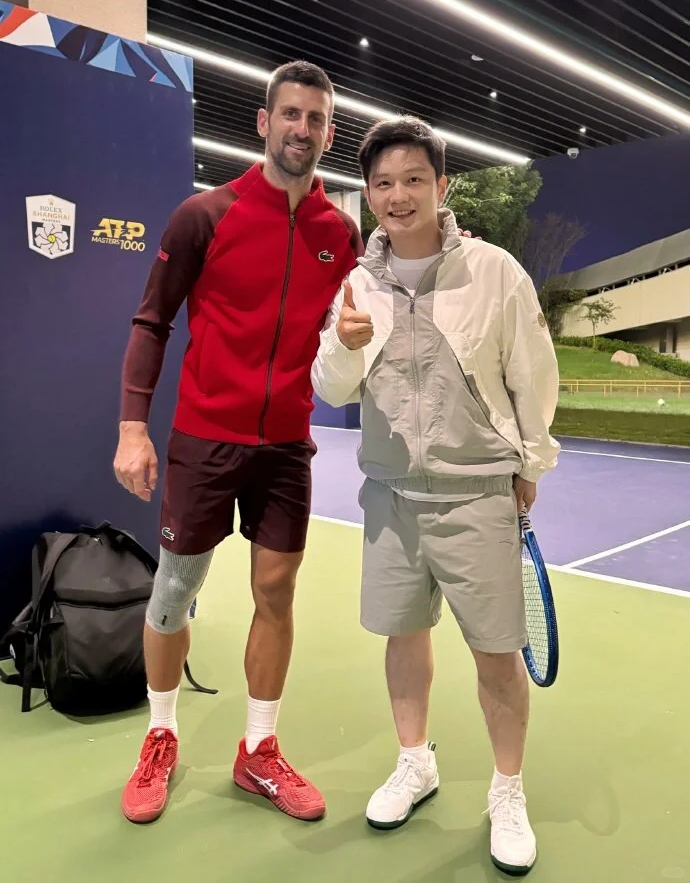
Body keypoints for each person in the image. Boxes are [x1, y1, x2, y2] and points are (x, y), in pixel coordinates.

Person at [114, 60, 363, 825]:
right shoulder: (205, 215)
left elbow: (370, 322)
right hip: (203, 439)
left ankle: (258, 751)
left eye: (316, 118)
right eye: (290, 113)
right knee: (174, 590)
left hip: (286, 447)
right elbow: (152, 320)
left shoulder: (341, 234)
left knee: (275, 593)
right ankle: (160, 737)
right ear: (263, 122)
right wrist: (132, 426)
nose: (302, 129)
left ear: (329, 132)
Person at [311, 116, 559, 874]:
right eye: (384, 183)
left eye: (414, 179)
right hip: (390, 496)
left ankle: (507, 791)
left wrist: (531, 463)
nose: (399, 195)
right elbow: (330, 388)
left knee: (496, 654)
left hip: (476, 494)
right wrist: (342, 346)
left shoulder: (494, 272)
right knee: (403, 637)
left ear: (441, 186)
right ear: (369, 195)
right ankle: (414, 762)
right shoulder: (356, 283)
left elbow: (532, 373)